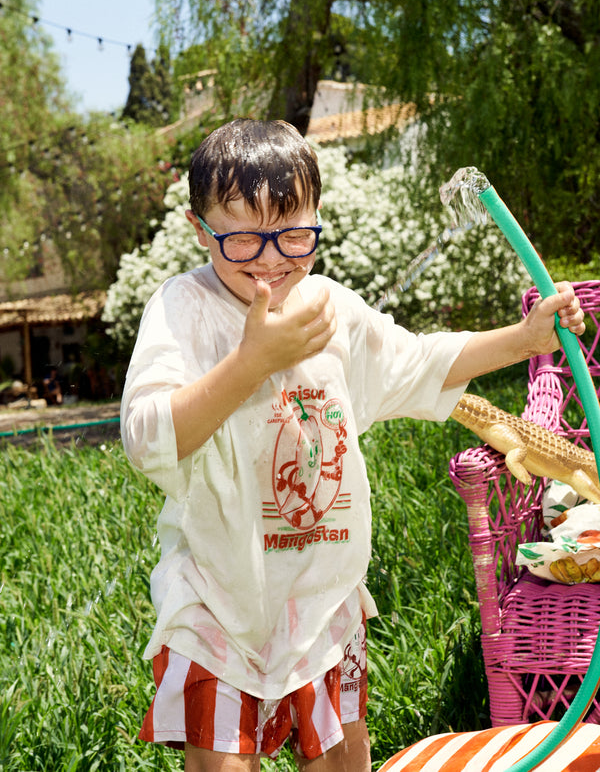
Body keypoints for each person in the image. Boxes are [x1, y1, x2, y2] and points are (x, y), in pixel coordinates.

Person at [120, 119, 585, 772]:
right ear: (201, 230)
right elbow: (146, 438)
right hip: (219, 601)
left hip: (323, 598)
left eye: (294, 234)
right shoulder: (183, 310)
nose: (272, 258)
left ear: (316, 221)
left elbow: (420, 363)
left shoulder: (327, 307)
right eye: (244, 237)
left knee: (344, 759)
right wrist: (251, 363)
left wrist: (523, 339)